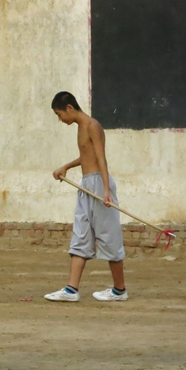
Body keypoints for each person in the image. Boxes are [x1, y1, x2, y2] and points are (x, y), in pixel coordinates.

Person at [44, 91, 128, 302]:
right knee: (81, 234)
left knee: (109, 237)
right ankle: (71, 290)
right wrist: (66, 167)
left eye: (59, 114)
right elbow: (86, 156)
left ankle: (120, 290)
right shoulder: (81, 128)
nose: (60, 119)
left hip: (100, 184)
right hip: (86, 186)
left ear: (69, 108)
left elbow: (101, 158)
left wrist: (106, 191)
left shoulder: (92, 125)